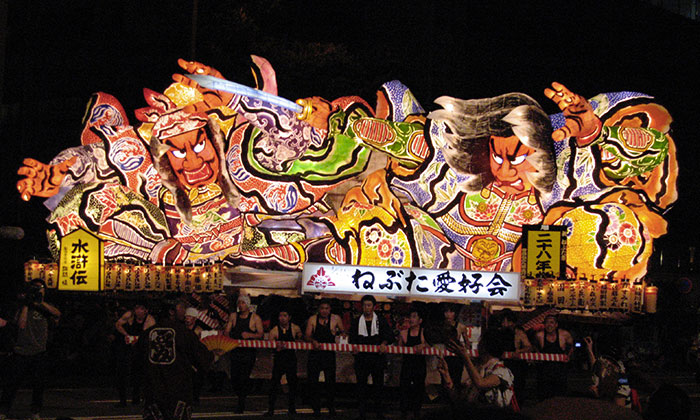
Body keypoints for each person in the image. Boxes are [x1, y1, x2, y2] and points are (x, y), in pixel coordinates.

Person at [137, 306, 213, 420]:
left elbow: (136, 361)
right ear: (172, 312)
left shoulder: (146, 334)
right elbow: (202, 358)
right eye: (181, 309)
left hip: (153, 390)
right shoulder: (184, 333)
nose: (184, 313)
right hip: (178, 391)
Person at [0, 279, 61, 420]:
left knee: (38, 385)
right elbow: (21, 325)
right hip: (21, 350)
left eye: (40, 288)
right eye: (35, 288)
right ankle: (4, 409)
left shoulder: (46, 307)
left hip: (39, 350)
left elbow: (57, 314)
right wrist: (27, 304)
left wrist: (40, 302)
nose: (38, 290)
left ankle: (35, 411)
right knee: (12, 384)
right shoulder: (22, 307)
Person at [444, 328, 517, 411]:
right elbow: (460, 401)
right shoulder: (478, 369)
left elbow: (481, 383)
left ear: (485, 347)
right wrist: (446, 376)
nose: (479, 345)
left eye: (481, 342)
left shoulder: (502, 371)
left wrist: (465, 357)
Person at [349, 295, 394, 420]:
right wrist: (354, 348)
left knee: (378, 387)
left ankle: (379, 412)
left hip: (377, 359)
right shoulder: (357, 321)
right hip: (362, 359)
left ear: (374, 307)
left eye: (369, 305)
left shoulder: (381, 320)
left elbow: (390, 336)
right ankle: (362, 413)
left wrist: (384, 344)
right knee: (361, 387)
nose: (366, 308)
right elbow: (352, 339)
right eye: (364, 305)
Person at [305, 299, 344, 417]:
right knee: (313, 382)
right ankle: (316, 408)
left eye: (327, 308)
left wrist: (340, 337)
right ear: (319, 309)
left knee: (330, 382)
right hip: (315, 354)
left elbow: (343, 332)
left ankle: (331, 407)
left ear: (330, 309)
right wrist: (313, 341)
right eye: (322, 308)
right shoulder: (312, 319)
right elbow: (307, 336)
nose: (324, 311)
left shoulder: (336, 319)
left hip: (329, 355)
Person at [224, 294, 263, 413]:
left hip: (248, 353)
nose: (241, 305)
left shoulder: (255, 318)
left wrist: (249, 335)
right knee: (234, 378)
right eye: (239, 303)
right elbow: (227, 331)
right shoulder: (233, 316)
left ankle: (241, 402)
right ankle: (242, 395)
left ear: (248, 305)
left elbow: (260, 334)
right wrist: (227, 336)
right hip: (235, 352)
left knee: (243, 377)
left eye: (243, 303)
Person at [115, 302, 156, 406]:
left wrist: (138, 339)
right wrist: (126, 334)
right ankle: (122, 400)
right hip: (127, 347)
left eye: (141, 309)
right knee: (123, 373)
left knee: (139, 374)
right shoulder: (129, 315)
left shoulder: (149, 320)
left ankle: (136, 399)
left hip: (141, 348)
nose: (138, 311)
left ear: (146, 310)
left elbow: (150, 335)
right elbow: (118, 324)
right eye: (137, 308)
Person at [265, 306, 303, 417]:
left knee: (293, 385)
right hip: (279, 360)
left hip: (291, 359)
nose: (282, 318)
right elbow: (269, 345)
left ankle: (292, 408)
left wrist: (298, 340)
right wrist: (275, 348)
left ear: (289, 317)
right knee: (274, 384)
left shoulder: (295, 328)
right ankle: (271, 408)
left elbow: (301, 339)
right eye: (280, 316)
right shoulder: (274, 330)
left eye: (285, 316)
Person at [584, 335, 634, 409]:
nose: (601, 361)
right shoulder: (605, 370)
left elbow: (618, 409)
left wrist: (598, 396)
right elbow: (596, 366)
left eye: (603, 360)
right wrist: (589, 349)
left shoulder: (621, 379)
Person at [534, 314, 573, 400]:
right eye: (547, 323)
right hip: (544, 370)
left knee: (560, 396)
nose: (549, 325)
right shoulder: (539, 335)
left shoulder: (564, 335)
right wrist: (538, 355)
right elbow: (535, 347)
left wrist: (568, 356)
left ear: (556, 325)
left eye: (551, 323)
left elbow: (571, 346)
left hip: (560, 371)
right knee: (544, 396)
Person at [398, 307, 427, 420]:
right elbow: (399, 349)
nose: (411, 319)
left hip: (419, 365)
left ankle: (417, 411)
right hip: (407, 365)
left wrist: (423, 345)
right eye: (411, 317)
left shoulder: (424, 333)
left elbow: (430, 345)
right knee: (404, 387)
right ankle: (403, 411)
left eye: (414, 317)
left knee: (418, 388)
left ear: (420, 320)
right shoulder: (404, 333)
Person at [499, 309, 532, 402]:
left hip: (516, 365)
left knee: (517, 389)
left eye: (506, 321)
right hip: (503, 364)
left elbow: (529, 347)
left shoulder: (518, 332)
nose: (504, 324)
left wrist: (519, 351)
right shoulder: (499, 332)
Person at [440, 304, 469, 388]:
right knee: (444, 379)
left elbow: (467, 343)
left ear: (455, 313)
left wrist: (464, 349)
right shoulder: (442, 326)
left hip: (457, 356)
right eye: (446, 312)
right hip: (445, 356)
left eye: (451, 312)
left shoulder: (461, 327)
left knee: (456, 380)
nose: (448, 314)